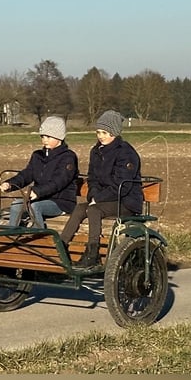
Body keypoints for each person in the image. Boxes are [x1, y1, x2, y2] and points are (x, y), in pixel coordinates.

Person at [60, 110, 144, 268]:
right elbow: (93, 179)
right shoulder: (96, 151)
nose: (100, 136)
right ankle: (62, 247)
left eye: (104, 132)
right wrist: (93, 195)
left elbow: (123, 185)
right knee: (79, 208)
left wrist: (97, 200)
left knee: (93, 210)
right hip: (104, 199)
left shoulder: (126, 153)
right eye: (98, 132)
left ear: (114, 132)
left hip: (125, 201)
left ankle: (93, 254)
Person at [0, 116, 79, 229]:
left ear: (59, 137)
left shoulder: (68, 157)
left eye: (48, 136)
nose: (44, 140)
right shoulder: (37, 155)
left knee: (35, 207)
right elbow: (27, 174)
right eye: (42, 136)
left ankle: (39, 237)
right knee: (16, 205)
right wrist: (10, 184)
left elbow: (58, 182)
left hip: (61, 202)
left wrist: (37, 192)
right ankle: (12, 235)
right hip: (40, 198)